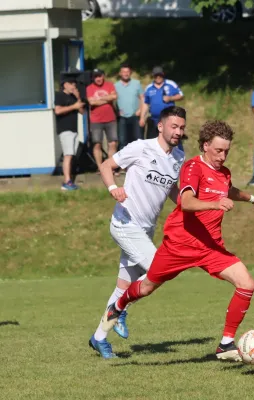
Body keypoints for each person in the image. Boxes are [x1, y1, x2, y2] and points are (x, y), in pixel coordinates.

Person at [101, 120, 254, 362]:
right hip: (180, 244)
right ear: (205, 146)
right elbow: (187, 202)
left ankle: (225, 344)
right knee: (148, 286)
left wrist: (253, 198)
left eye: (226, 151)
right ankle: (118, 305)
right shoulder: (193, 167)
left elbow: (228, 190)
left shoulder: (223, 172)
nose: (222, 156)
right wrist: (214, 204)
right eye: (218, 151)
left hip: (210, 246)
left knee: (247, 284)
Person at [89, 106, 186, 359]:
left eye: (182, 127)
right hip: (125, 223)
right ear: (161, 126)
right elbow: (105, 166)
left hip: (145, 229)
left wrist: (189, 206)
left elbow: (172, 189)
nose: (178, 132)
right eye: (174, 126)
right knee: (158, 270)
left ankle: (99, 338)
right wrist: (113, 188)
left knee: (124, 286)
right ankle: (121, 312)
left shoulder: (179, 156)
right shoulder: (141, 147)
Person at [54, 77, 85, 191]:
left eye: (75, 84)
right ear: (65, 84)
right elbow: (57, 111)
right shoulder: (59, 95)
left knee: (71, 155)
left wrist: (78, 98)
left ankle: (69, 180)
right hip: (65, 129)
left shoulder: (73, 97)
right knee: (68, 155)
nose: (74, 86)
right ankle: (67, 182)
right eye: (71, 84)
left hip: (74, 130)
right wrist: (73, 106)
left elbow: (82, 112)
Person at [86, 69, 118, 172]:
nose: (98, 79)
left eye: (100, 76)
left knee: (112, 143)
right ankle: (100, 167)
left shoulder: (109, 85)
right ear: (93, 78)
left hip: (111, 119)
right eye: (96, 77)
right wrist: (107, 99)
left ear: (103, 76)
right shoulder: (89, 88)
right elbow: (92, 102)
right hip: (96, 120)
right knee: (97, 144)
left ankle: (109, 166)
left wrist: (98, 100)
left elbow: (114, 96)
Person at [140, 66, 184, 140]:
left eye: (160, 75)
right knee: (152, 142)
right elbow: (145, 103)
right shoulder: (149, 88)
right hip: (154, 120)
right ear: (153, 76)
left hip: (169, 119)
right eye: (156, 75)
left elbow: (181, 95)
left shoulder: (170, 84)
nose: (158, 77)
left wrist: (170, 98)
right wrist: (142, 117)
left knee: (169, 140)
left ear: (163, 74)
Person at [115, 63, 144, 150]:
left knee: (138, 140)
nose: (126, 74)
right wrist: (116, 111)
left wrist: (140, 110)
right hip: (122, 117)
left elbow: (142, 98)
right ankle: (123, 162)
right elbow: (112, 100)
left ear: (130, 72)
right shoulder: (116, 86)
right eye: (123, 72)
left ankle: (140, 161)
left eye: (127, 72)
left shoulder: (136, 83)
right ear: (120, 73)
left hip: (135, 116)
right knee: (122, 141)